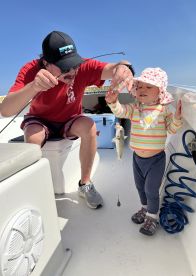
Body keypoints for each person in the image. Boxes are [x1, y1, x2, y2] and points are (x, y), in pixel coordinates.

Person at [1, 30, 134, 209]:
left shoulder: (84, 66)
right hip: (40, 119)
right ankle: (36, 189)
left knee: (89, 127)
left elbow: (114, 67)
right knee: (33, 136)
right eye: (64, 67)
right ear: (46, 64)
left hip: (70, 118)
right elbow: (6, 110)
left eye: (74, 64)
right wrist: (34, 86)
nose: (72, 71)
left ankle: (85, 183)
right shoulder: (30, 70)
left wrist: (124, 68)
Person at [105, 67, 182, 235]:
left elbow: (172, 129)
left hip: (156, 160)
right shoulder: (135, 108)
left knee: (151, 190)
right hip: (137, 158)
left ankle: (152, 217)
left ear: (160, 91)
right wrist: (113, 102)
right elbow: (121, 111)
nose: (142, 90)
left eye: (148, 87)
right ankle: (145, 208)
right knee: (140, 187)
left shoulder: (164, 110)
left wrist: (177, 118)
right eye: (139, 87)